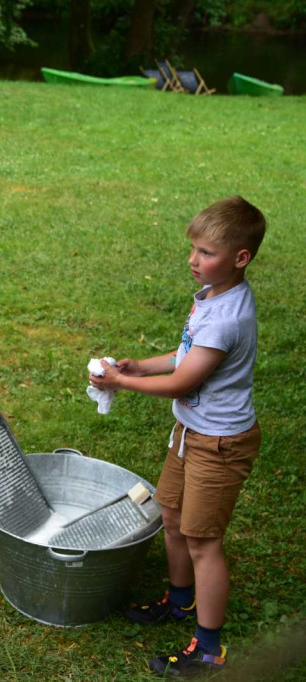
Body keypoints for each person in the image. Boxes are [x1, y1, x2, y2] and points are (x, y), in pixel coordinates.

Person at [90, 196, 267, 678]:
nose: (193, 260)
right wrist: (139, 365)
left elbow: (185, 382)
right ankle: (181, 601)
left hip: (220, 443)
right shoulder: (212, 294)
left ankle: (209, 649)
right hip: (191, 432)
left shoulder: (228, 315)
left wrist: (121, 383)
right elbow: (184, 357)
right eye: (193, 249)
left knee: (202, 540)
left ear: (240, 258)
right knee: (171, 515)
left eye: (206, 252)